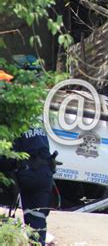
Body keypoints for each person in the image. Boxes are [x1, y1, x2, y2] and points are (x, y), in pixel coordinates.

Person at [0, 70, 54, 246]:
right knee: (37, 221)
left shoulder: (11, 118)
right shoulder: (33, 113)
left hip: (26, 172)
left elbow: (7, 155)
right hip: (44, 172)